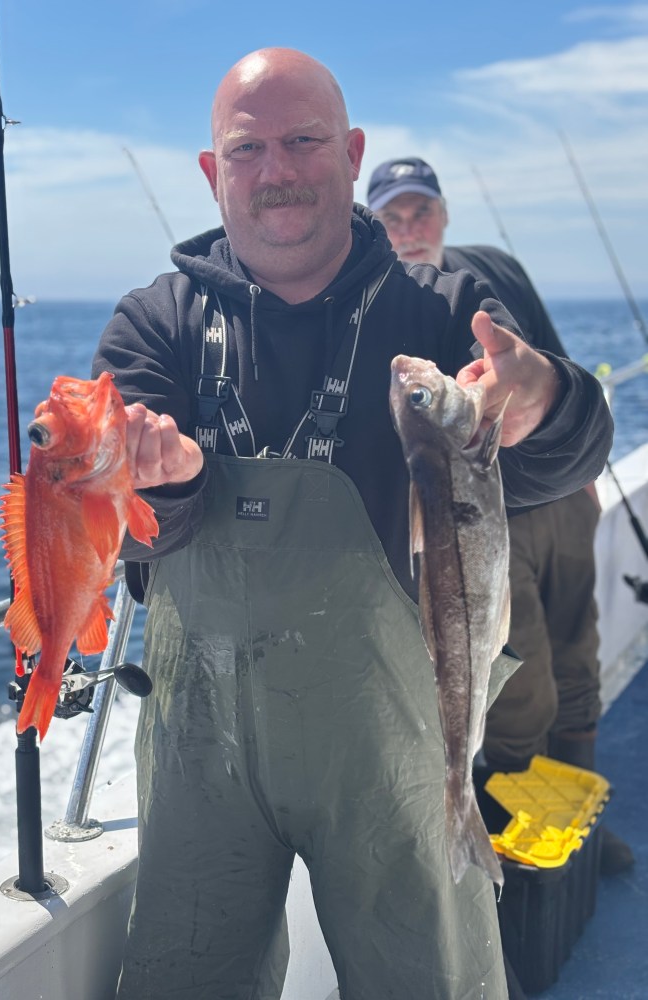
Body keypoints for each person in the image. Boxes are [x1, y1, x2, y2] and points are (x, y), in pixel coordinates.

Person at [92, 49, 613, 1000]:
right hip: (200, 752)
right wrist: (157, 491)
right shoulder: (152, 326)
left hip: (404, 749)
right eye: (248, 148)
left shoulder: (446, 312)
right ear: (213, 172)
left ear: (351, 151)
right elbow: (130, 539)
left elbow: (567, 457)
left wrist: (547, 396)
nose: (278, 168)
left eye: (305, 140)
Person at [367, 156, 634, 877]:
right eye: (389, 217)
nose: (408, 228)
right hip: (477, 525)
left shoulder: (494, 271)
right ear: (371, 226)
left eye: (419, 211)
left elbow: (558, 368)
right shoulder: (379, 305)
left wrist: (581, 469)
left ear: (445, 213)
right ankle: (509, 852)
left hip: (560, 502)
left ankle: (577, 824)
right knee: (523, 683)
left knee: (580, 650)